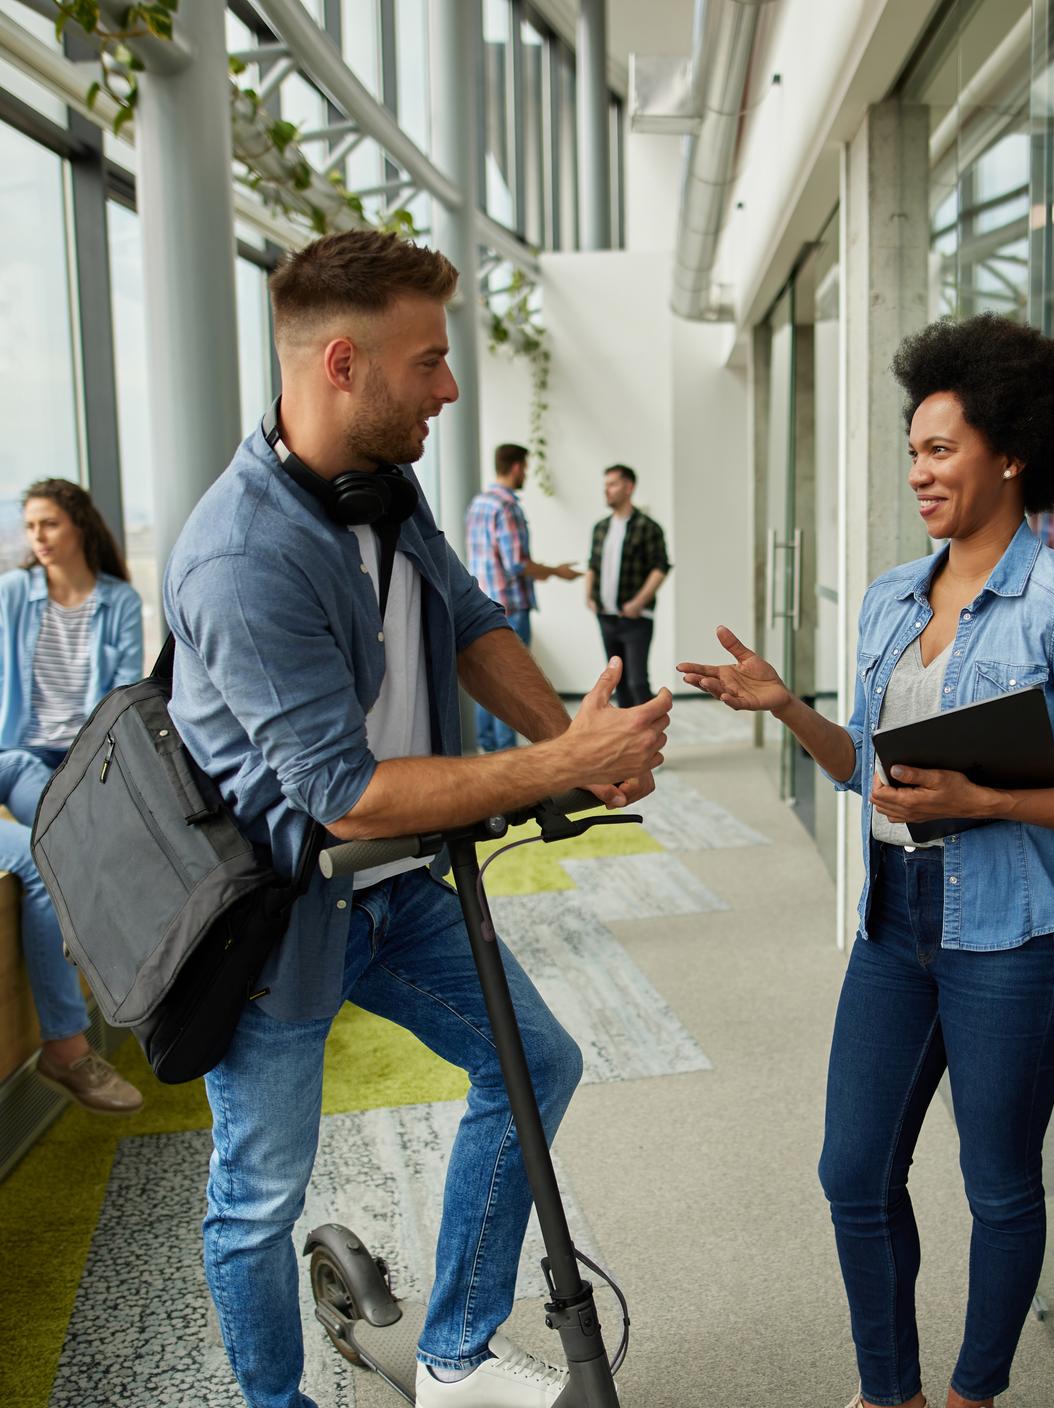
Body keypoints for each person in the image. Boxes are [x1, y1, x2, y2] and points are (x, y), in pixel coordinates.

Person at [164, 230, 669, 1408]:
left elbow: (471, 617)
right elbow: (342, 793)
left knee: (536, 1065)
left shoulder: (381, 485)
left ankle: (452, 1352)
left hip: (393, 892)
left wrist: (571, 752)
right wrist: (560, 759)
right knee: (258, 1193)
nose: (448, 387)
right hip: (276, 924)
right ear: (344, 362)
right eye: (430, 361)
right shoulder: (243, 555)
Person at [679, 313, 1054, 1408]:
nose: (919, 472)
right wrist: (786, 708)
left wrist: (987, 797)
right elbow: (870, 769)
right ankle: (889, 1392)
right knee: (852, 1171)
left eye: (940, 448)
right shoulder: (892, 598)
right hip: (897, 922)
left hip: (1019, 939)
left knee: (996, 1186)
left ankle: (970, 1397)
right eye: (912, 450)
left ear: (1009, 453)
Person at [0, 479, 144, 1114]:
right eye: (31, 528)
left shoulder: (116, 602)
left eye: (49, 524)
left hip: (71, 764)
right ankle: (83, 931)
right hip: (13, 755)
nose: (38, 539)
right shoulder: (13, 595)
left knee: (76, 834)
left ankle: (83, 928)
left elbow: (118, 706)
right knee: (59, 845)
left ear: (80, 526)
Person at [466, 442, 581, 752]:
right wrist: (557, 571)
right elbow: (518, 562)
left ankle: (488, 750)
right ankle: (507, 754)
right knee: (511, 684)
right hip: (510, 608)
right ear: (517, 466)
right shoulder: (507, 506)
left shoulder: (479, 504)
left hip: (480, 606)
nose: (526, 475)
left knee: (486, 681)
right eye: (526, 468)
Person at [584, 464, 671, 707]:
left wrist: (638, 602)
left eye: (612, 484)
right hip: (606, 617)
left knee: (637, 683)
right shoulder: (600, 528)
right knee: (617, 682)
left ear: (629, 487)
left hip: (637, 619)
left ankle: (650, 738)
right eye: (605, 486)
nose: (607, 490)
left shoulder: (648, 527)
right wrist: (588, 595)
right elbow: (592, 564)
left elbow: (661, 567)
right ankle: (627, 740)